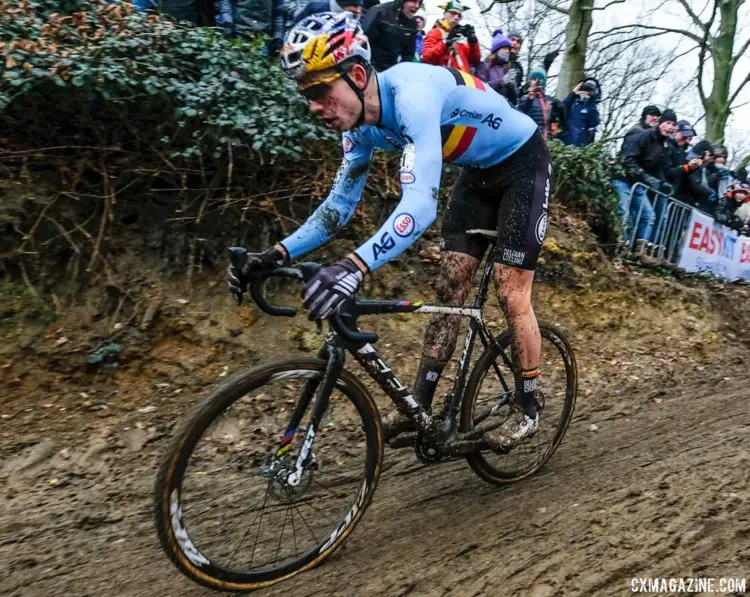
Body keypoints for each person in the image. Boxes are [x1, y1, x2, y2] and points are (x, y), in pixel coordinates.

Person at [230, 13, 552, 447]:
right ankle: (421, 405)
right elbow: (338, 208)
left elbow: (419, 206)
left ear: (358, 74)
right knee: (450, 283)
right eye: (306, 94)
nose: (313, 106)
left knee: (510, 290)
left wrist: (352, 266)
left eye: (320, 91)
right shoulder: (359, 128)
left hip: (522, 164)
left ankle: (528, 405)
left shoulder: (411, 95)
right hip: (477, 172)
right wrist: (275, 255)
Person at [611, 109, 677, 244]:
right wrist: (647, 178)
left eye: (673, 124)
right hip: (623, 178)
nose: (670, 127)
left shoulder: (665, 145)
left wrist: (662, 183)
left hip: (639, 182)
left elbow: (660, 168)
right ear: (660, 123)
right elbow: (627, 159)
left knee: (649, 215)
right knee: (624, 212)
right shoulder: (643, 136)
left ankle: (641, 250)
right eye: (668, 123)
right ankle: (621, 244)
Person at [421, 1, 480, 73]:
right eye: (453, 13)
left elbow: (475, 61)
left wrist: (473, 42)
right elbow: (426, 58)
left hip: (463, 80)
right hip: (443, 79)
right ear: (445, 14)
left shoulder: (463, 38)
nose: (456, 17)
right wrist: (445, 43)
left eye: (459, 15)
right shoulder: (436, 32)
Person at [361, 0, 420, 71]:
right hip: (370, 67)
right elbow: (363, 41)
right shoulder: (379, 12)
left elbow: (409, 53)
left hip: (391, 70)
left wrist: (401, 71)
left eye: (419, 2)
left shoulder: (412, 23)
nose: (417, 6)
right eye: (413, 1)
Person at [517, 67, 565, 140]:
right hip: (529, 138)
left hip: (546, 140)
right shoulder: (525, 98)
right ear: (530, 82)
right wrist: (529, 99)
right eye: (534, 79)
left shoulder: (550, 100)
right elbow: (520, 114)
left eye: (540, 80)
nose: (537, 82)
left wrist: (561, 109)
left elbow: (556, 122)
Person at [473, 29, 518, 104]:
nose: (507, 51)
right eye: (504, 48)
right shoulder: (484, 66)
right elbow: (479, 87)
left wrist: (511, 87)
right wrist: (501, 82)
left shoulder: (508, 70)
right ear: (496, 50)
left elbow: (515, 100)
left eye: (508, 49)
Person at [559, 78, 600, 146]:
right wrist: (573, 93)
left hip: (581, 147)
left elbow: (594, 124)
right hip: (565, 144)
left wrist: (591, 101)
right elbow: (561, 109)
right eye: (585, 89)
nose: (587, 92)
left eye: (590, 90)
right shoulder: (572, 104)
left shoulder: (592, 109)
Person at [294, 0, 364, 23]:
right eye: (354, 6)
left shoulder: (362, 19)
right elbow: (294, 27)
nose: (358, 11)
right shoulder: (315, 8)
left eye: (360, 7)